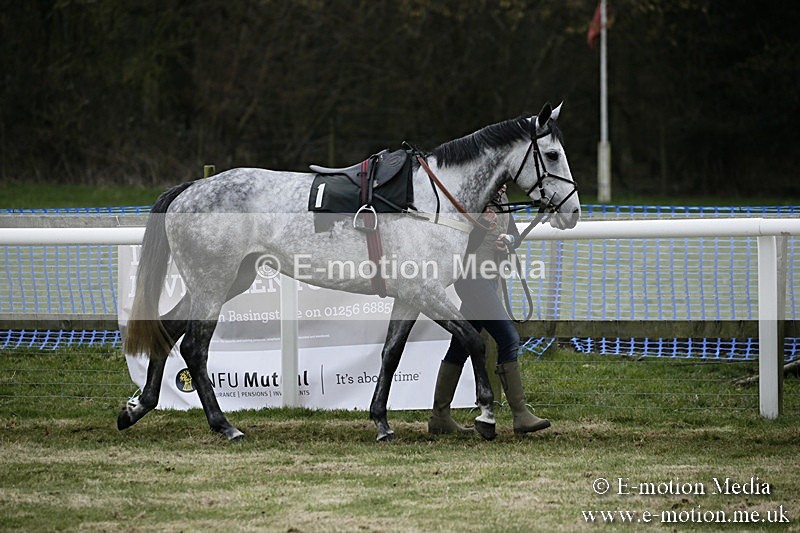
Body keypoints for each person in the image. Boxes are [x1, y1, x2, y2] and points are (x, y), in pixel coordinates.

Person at [428, 186, 550, 435]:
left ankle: (440, 417)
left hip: (490, 278)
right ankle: (520, 414)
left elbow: (514, 232)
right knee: (508, 337)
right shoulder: (472, 196)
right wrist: (481, 224)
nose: (504, 185)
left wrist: (508, 241)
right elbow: (458, 244)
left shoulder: (501, 198)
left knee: (460, 345)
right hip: (472, 278)